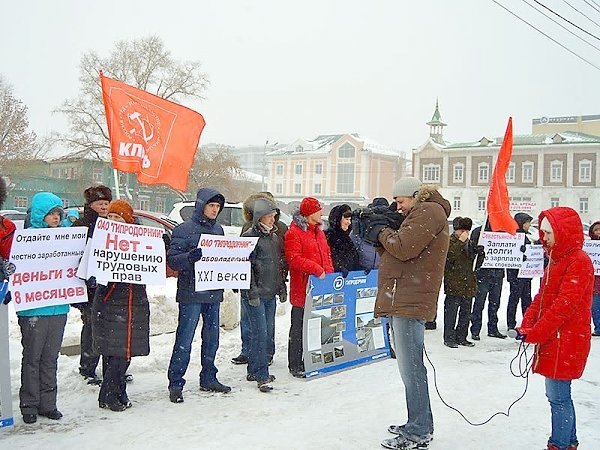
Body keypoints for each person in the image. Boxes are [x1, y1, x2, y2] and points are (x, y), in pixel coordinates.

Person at [370, 176, 451, 450]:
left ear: (415, 196)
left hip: (409, 299)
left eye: (400, 201)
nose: (398, 207)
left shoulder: (429, 210)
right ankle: (418, 422)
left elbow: (403, 248)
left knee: (412, 369)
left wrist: (380, 231)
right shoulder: (423, 211)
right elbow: (397, 250)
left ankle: (418, 430)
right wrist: (382, 235)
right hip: (405, 296)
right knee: (410, 369)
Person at [517, 207, 593, 450]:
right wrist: (528, 323)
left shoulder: (578, 261)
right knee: (560, 396)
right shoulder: (556, 260)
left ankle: (559, 444)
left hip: (566, 339)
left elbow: (563, 306)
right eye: (543, 232)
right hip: (556, 338)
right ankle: (569, 442)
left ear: (564, 233)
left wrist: (537, 332)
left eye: (549, 232)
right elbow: (542, 298)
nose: (544, 237)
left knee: (558, 398)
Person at [167, 187, 231, 403]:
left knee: (212, 339)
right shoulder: (183, 230)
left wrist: (239, 262)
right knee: (185, 339)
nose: (215, 210)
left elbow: (224, 258)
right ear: (201, 206)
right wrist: (189, 258)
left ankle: (208, 377)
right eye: (211, 206)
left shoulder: (219, 230)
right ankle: (176, 383)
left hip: (213, 293)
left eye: (217, 207)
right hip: (191, 293)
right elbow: (173, 260)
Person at [91, 200, 150, 412]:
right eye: (111, 217)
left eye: (118, 217)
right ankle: (109, 394)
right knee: (114, 351)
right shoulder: (101, 237)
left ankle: (117, 391)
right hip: (110, 299)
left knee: (124, 352)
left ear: (128, 219)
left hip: (134, 300)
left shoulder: (141, 240)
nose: (113, 221)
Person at [16, 192, 69, 424]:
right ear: (40, 215)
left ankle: (48, 403)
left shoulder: (67, 240)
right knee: (32, 358)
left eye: (58, 213)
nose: (56, 217)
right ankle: (29, 404)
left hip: (58, 307)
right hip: (34, 309)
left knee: (50, 358)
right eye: (51, 213)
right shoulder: (25, 239)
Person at [232, 191, 288, 366]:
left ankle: (266, 353)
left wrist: (281, 281)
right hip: (250, 285)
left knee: (266, 325)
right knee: (247, 320)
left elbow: (280, 258)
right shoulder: (248, 229)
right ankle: (248, 351)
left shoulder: (280, 229)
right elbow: (242, 258)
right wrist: (237, 280)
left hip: (269, 284)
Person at [284, 196, 334, 378]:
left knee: (316, 326)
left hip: (320, 288)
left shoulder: (319, 232)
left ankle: (311, 359)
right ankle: (295, 363)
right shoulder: (294, 233)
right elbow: (294, 259)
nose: (321, 213)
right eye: (318, 210)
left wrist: (329, 273)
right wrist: (316, 269)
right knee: (298, 327)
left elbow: (326, 254)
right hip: (302, 289)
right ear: (310, 213)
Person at [72, 185, 112, 384]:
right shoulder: (82, 225)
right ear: (90, 205)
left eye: (106, 203)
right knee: (91, 325)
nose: (104, 207)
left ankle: (109, 367)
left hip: (109, 284)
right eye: (100, 203)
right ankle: (87, 366)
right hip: (89, 285)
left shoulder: (113, 224)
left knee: (109, 326)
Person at [469, 220, 506, 340]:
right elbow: (471, 250)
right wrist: (477, 250)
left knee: (495, 303)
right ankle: (475, 330)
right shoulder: (478, 232)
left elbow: (510, 250)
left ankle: (493, 328)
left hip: (498, 273)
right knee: (479, 303)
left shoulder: (503, 233)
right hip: (482, 274)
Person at [443, 217, 476, 348]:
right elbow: (450, 256)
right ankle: (449, 337)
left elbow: (474, 262)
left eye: (467, 230)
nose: (464, 233)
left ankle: (462, 336)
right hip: (454, 283)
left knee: (466, 313)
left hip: (468, 283)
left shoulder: (470, 242)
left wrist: (480, 253)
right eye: (462, 230)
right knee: (451, 312)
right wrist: (460, 242)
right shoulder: (450, 241)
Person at [506, 212, 533, 331]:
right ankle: (511, 323)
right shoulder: (514, 236)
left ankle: (527, 321)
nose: (529, 225)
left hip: (525, 273)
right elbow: (510, 253)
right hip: (516, 274)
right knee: (515, 299)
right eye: (527, 223)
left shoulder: (525, 237)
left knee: (526, 299)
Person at [325, 204, 360, 276]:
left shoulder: (347, 237)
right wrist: (338, 268)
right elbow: (327, 258)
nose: (349, 222)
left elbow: (353, 259)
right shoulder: (328, 236)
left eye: (350, 219)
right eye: (346, 219)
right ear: (338, 219)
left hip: (348, 279)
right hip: (334, 279)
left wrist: (361, 269)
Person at [590, 220, 600, 336]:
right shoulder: (589, 246)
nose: (598, 233)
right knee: (596, 306)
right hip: (595, 282)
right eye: (596, 230)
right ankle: (598, 327)